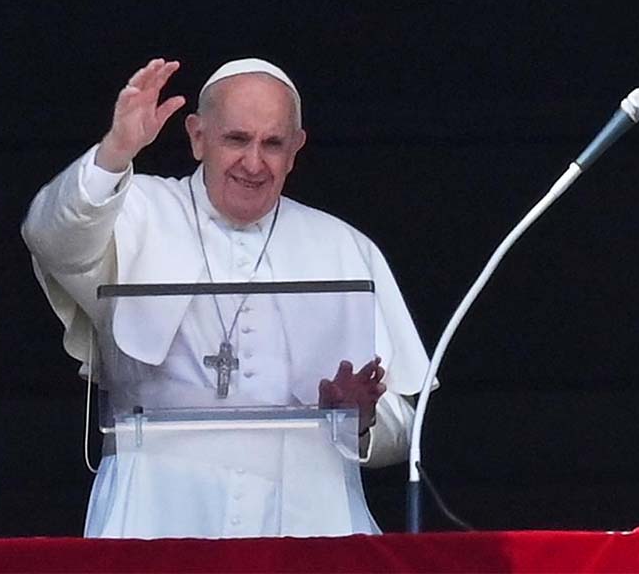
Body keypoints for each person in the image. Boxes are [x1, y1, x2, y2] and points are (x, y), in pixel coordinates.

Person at [22, 57, 432, 538]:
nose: (254, 163)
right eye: (236, 139)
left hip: (308, 514)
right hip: (157, 508)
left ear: (296, 150)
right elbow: (51, 237)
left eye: (273, 144)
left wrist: (357, 420)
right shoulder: (136, 211)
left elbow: (403, 426)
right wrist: (115, 152)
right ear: (197, 137)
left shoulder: (343, 246)